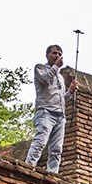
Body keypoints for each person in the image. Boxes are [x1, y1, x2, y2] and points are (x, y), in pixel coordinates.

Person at [24, 44, 80, 174]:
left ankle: (52, 174)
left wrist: (70, 91)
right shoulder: (40, 68)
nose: (57, 56)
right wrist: (56, 66)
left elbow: (60, 100)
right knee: (40, 142)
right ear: (47, 55)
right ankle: (27, 168)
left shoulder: (60, 77)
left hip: (60, 116)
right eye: (54, 53)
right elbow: (44, 79)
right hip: (45, 113)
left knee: (56, 149)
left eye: (59, 54)